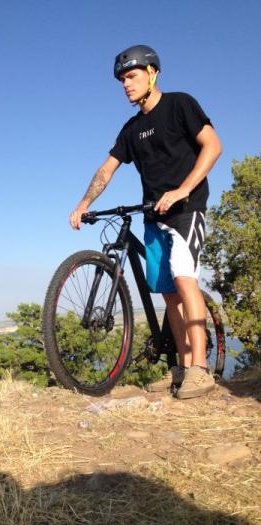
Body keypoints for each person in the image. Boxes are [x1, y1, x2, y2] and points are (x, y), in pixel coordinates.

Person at [69, 45, 222, 399]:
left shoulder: (180, 104)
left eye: (132, 76)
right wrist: (84, 203)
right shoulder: (131, 129)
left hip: (187, 209)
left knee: (185, 279)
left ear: (153, 73)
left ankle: (200, 369)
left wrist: (183, 189)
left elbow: (212, 146)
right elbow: (106, 170)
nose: (126, 84)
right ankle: (182, 370)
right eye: (122, 79)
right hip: (153, 214)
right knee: (168, 294)